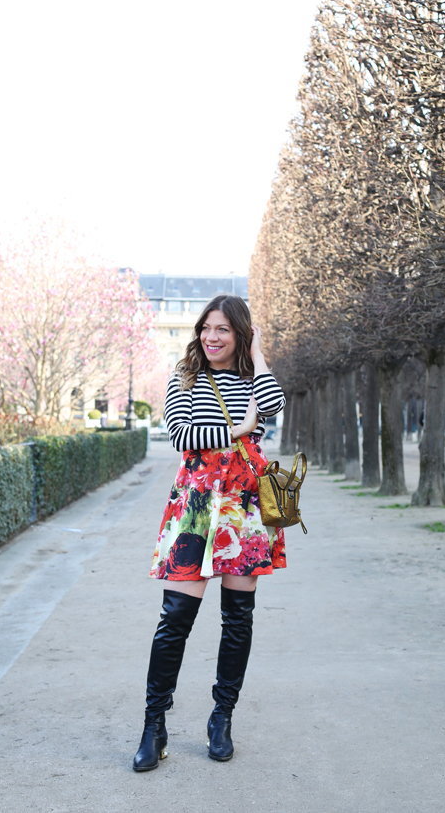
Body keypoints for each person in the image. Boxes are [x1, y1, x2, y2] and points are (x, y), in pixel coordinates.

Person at [133, 294, 286, 772]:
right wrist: (239, 429)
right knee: (175, 617)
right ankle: (153, 724)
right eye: (206, 328)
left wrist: (259, 356)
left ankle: (222, 718)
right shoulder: (185, 378)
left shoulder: (251, 379)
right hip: (197, 505)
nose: (212, 337)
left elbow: (275, 404)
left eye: (223, 329)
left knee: (238, 619)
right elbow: (180, 435)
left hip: (243, 507)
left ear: (240, 333)